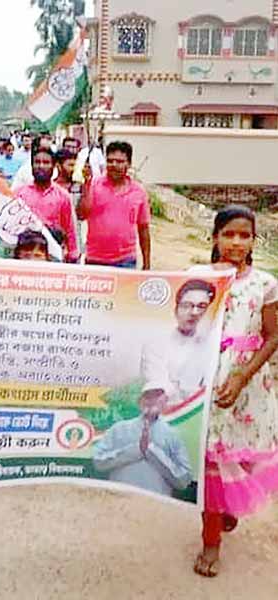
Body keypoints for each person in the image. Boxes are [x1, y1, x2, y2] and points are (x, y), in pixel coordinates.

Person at [193, 206, 278, 578]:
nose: (236, 242)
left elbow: (273, 335)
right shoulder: (197, 277)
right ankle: (210, 541)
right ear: (215, 237)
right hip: (206, 382)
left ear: (253, 241)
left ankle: (227, 507)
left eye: (245, 236)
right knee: (210, 462)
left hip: (247, 385)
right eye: (229, 234)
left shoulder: (265, 284)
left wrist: (243, 375)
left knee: (239, 459)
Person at [93, 382, 192, 496]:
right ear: (140, 402)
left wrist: (152, 451)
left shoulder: (173, 435)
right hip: (120, 503)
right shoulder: (118, 429)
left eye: (156, 396)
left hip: (156, 507)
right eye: (147, 396)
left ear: (165, 401)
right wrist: (135, 451)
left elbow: (183, 480)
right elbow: (98, 461)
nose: (151, 400)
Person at [141, 280, 217, 413]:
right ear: (176, 309)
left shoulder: (212, 345)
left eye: (201, 306)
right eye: (187, 305)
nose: (194, 312)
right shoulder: (155, 344)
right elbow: (158, 387)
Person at [78, 141, 151, 269]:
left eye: (120, 161)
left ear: (129, 164)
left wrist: (146, 264)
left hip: (126, 261)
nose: (114, 165)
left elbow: (143, 228)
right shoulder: (93, 185)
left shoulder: (139, 192)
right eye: (110, 161)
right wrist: (86, 185)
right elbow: (82, 214)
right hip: (95, 259)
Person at [15, 147, 79, 262]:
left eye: (46, 163)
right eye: (37, 162)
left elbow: (69, 228)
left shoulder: (63, 196)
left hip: (53, 256)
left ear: (53, 166)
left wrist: (73, 254)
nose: (41, 166)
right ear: (32, 165)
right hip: (26, 256)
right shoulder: (19, 194)